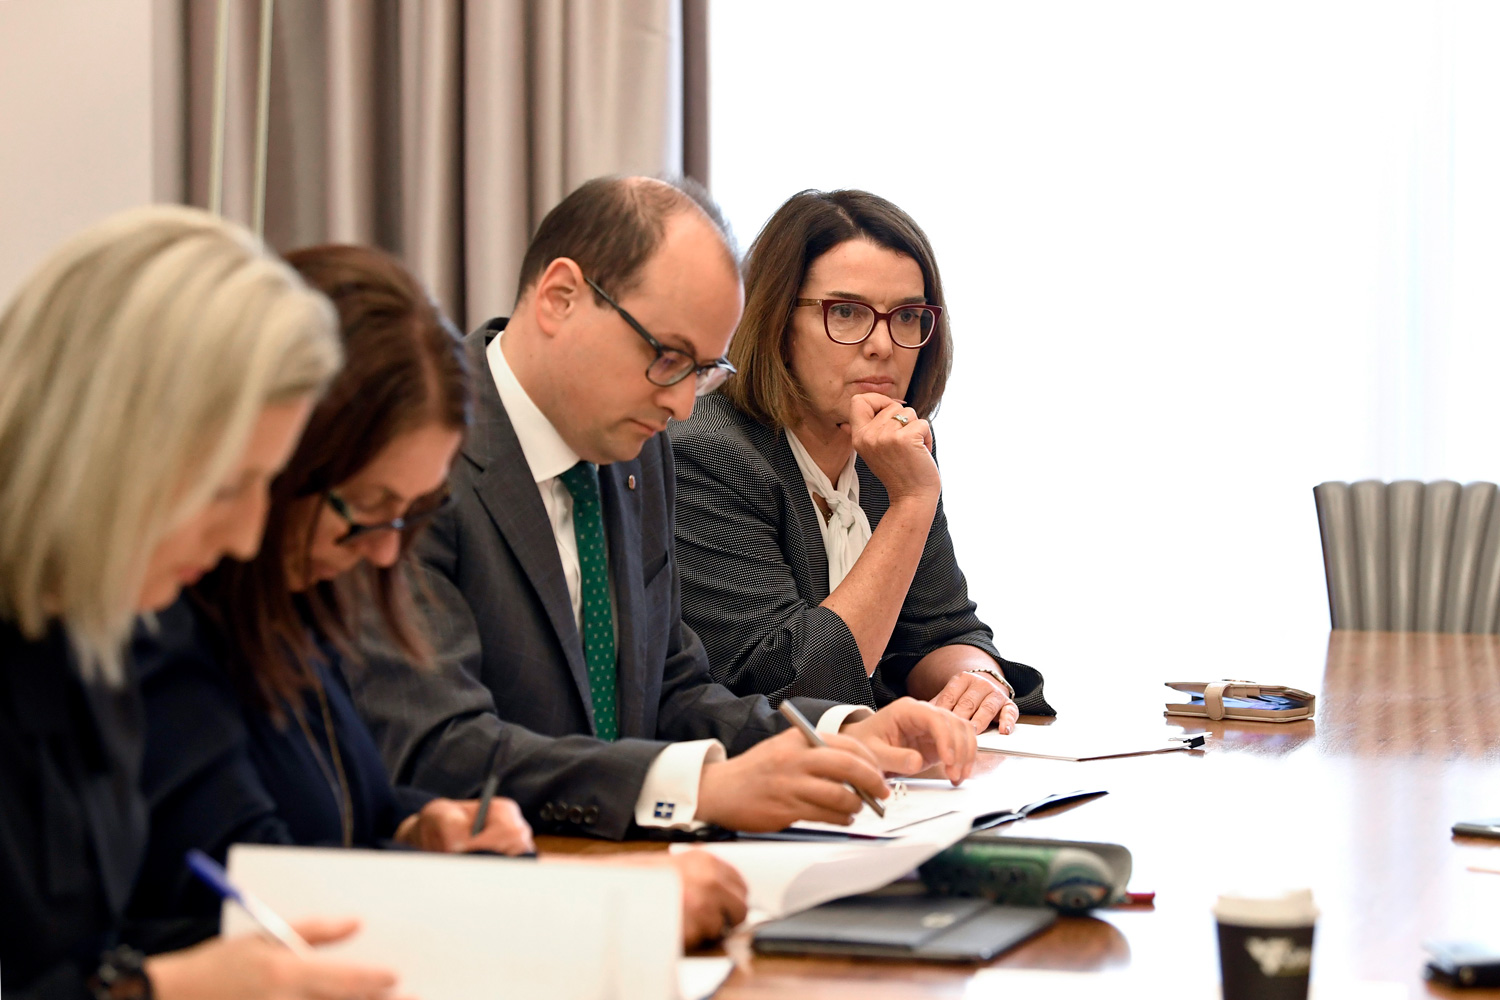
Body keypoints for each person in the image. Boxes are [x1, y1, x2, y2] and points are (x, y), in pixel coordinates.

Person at [127, 243, 744, 951]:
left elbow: (337, 814)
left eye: (406, 516)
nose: (385, 550)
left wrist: (418, 826)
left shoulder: (295, 602)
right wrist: (606, 912)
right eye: (368, 506)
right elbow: (246, 899)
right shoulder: (163, 627)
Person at [349, 175, 978, 844]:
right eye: (668, 357)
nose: (683, 405)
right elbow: (436, 744)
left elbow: (672, 695)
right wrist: (698, 787)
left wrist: (837, 731)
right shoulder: (416, 453)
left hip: (622, 870)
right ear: (561, 298)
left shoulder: (634, 450)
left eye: (703, 370)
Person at [0, 207, 397, 999]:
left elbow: (72, 955)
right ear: (104, 450)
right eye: (227, 488)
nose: (249, 537)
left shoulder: (95, 636)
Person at [667, 189, 1053, 731]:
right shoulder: (707, 452)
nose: (882, 345)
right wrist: (913, 503)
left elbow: (939, 630)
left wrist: (979, 680)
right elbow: (800, 687)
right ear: (776, 321)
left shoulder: (884, 451)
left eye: (907, 316)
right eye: (846, 313)